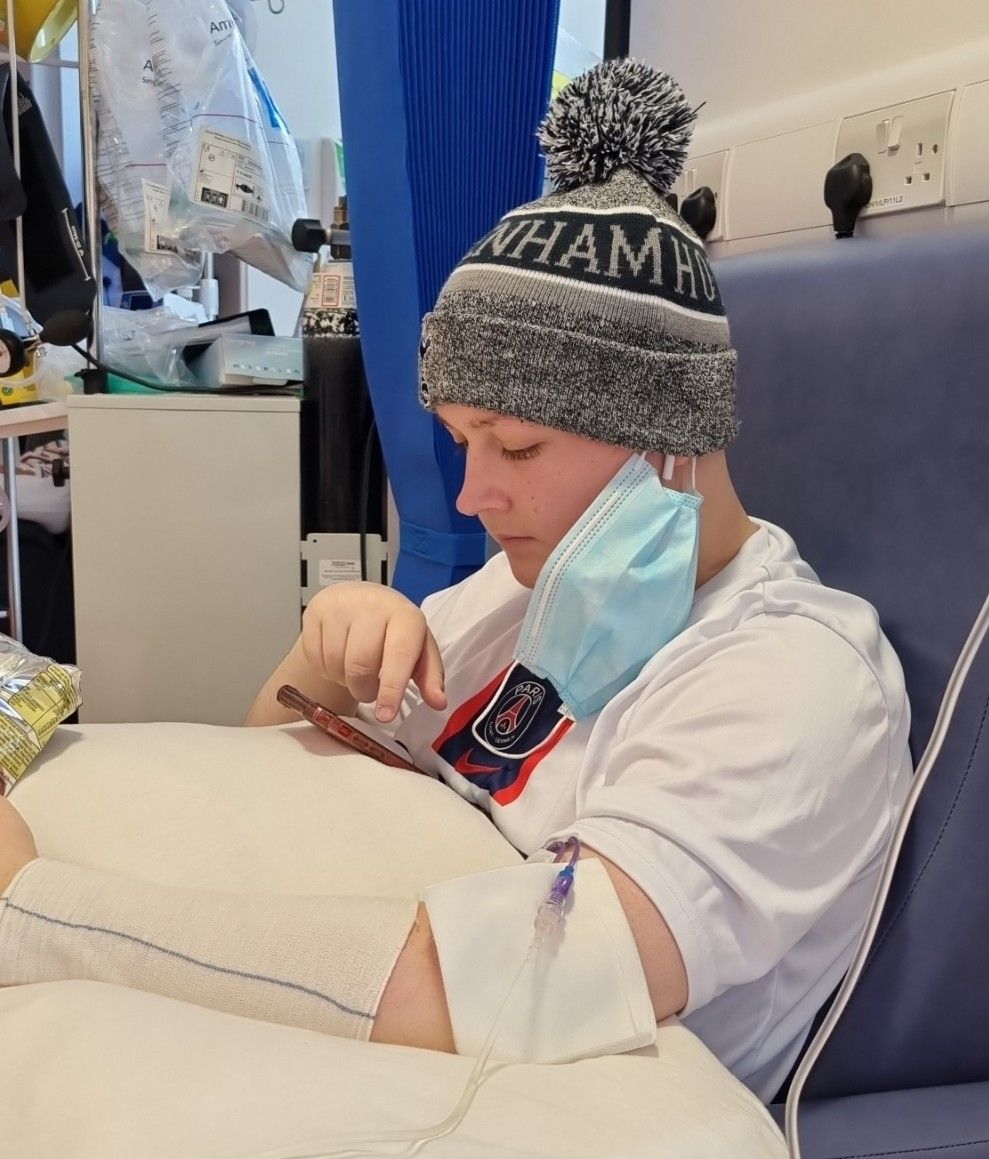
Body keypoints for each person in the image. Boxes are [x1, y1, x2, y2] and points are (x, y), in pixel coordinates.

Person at [0, 60, 911, 1102]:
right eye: (459, 443)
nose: (472, 496)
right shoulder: (514, 601)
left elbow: (516, 982)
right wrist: (322, 658)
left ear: (671, 444)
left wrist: (33, 912)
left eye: (513, 448)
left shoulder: (788, 681)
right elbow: (263, 790)